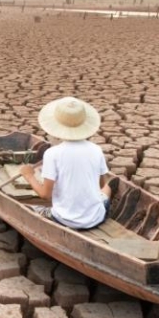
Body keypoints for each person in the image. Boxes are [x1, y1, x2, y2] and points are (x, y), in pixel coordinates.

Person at [19, 96, 111, 230]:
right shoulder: (96, 149)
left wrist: (29, 176)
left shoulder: (53, 153)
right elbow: (101, 185)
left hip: (64, 220)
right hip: (96, 218)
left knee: (32, 208)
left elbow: (45, 195)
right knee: (108, 188)